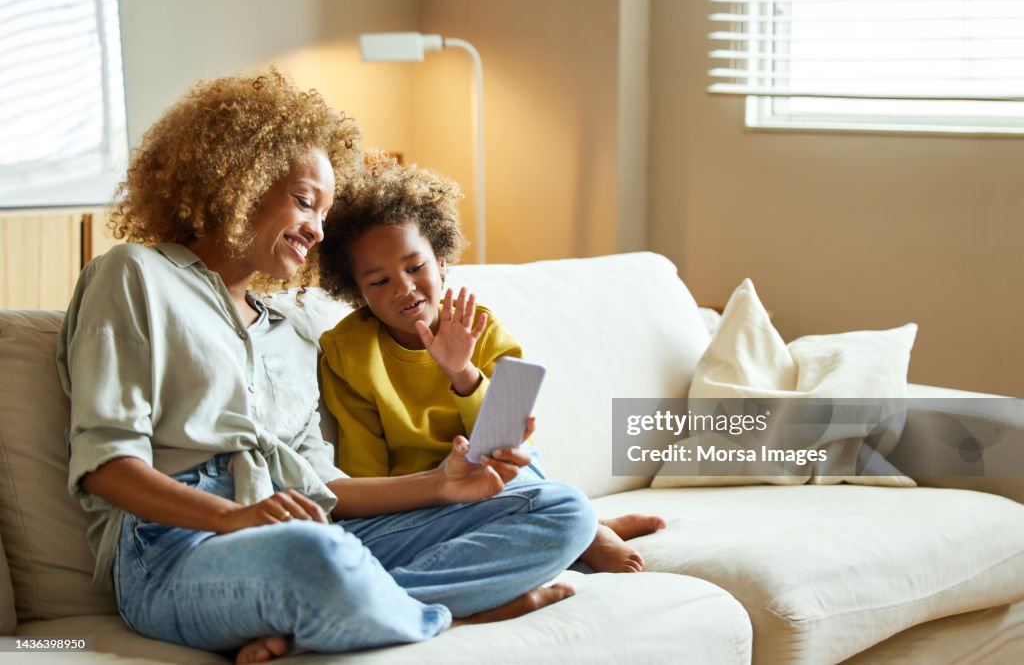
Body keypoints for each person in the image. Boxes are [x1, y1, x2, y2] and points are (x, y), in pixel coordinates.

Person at [56, 68, 597, 665]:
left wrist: (441, 485)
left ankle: (343, 616)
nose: (316, 229)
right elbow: (106, 466)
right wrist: (235, 518)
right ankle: (448, 612)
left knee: (562, 510)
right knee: (311, 558)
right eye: (306, 201)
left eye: (324, 213)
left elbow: (327, 490)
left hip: (309, 528)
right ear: (239, 177)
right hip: (175, 550)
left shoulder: (292, 332)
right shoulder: (135, 275)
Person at [318, 153, 666, 575]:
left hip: (497, 482)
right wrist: (438, 490)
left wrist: (462, 373)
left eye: (415, 267)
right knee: (368, 548)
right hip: (419, 503)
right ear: (357, 293)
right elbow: (364, 477)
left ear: (442, 262)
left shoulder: (480, 325)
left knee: (519, 464)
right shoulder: (346, 352)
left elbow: (512, 437)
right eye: (379, 281)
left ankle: (585, 529)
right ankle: (580, 529)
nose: (404, 288)